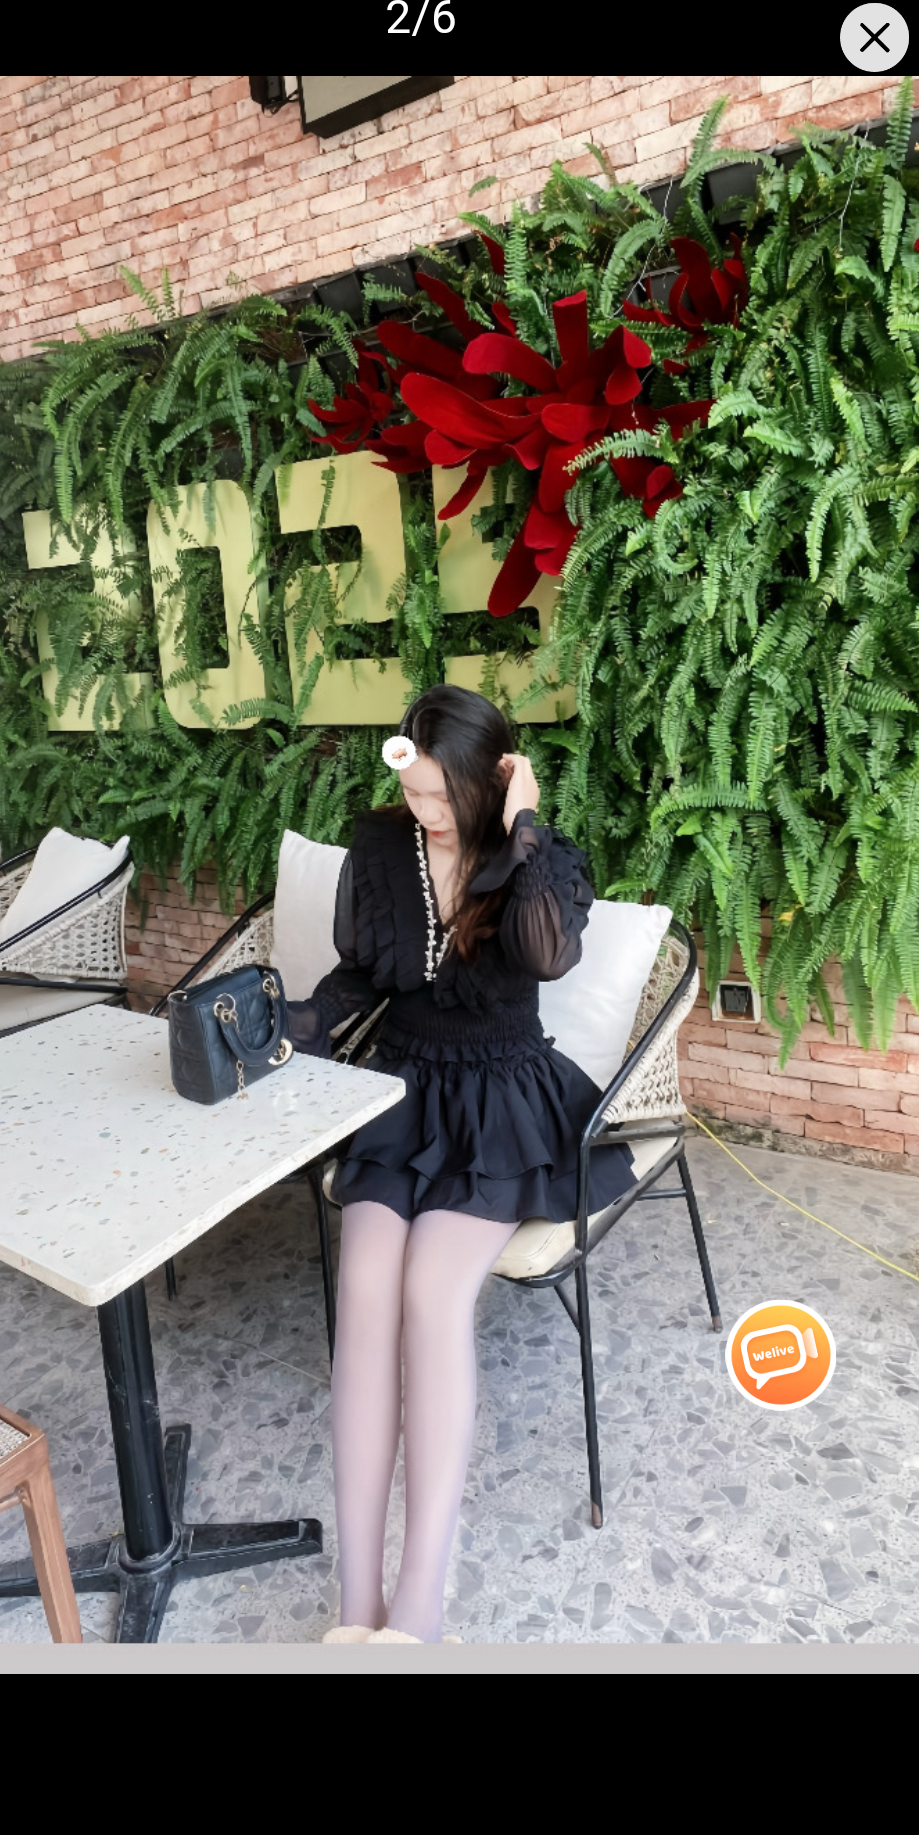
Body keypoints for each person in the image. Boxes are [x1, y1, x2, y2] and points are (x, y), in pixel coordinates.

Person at [285, 685, 635, 1643]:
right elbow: (362, 977)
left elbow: (547, 955)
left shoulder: (540, 861)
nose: (424, 811)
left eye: (443, 796)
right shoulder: (379, 847)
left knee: (433, 1299)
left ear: (491, 781)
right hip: (398, 1095)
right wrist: (290, 1026)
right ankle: (357, 1610)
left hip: (502, 1105)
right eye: (415, 790)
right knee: (365, 1292)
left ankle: (420, 1610)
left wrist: (522, 826)